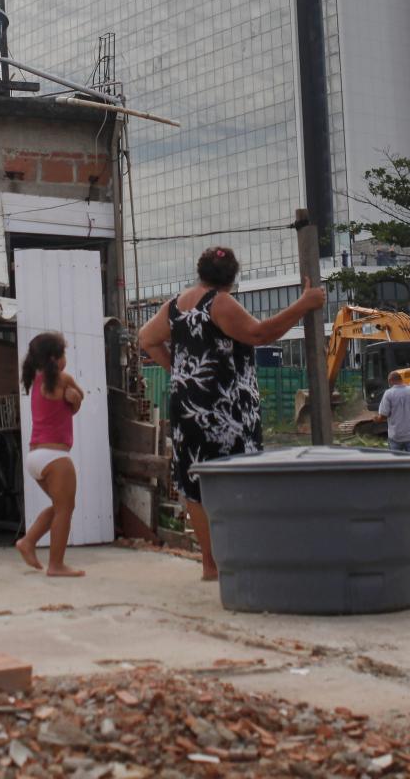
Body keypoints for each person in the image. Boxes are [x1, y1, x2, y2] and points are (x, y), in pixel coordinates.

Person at [138, 245, 325, 581]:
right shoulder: (219, 303)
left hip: (188, 409)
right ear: (232, 279)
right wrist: (304, 304)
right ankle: (232, 559)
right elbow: (258, 333)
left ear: (200, 271)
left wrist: (180, 374)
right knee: (238, 479)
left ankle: (210, 563)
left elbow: (146, 338)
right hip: (228, 412)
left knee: (195, 482)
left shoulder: (175, 306)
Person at [14, 332, 86, 577]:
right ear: (55, 358)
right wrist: (75, 399)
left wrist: (72, 402)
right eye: (64, 354)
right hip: (55, 458)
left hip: (35, 457)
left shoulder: (36, 381)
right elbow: (79, 399)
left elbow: (63, 411)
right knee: (65, 509)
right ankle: (56, 565)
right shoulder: (63, 379)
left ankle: (28, 542)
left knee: (59, 506)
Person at [378, 370, 410, 454]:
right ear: (401, 379)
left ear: (390, 381)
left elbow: (383, 415)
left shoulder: (388, 394)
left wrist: (377, 419)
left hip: (395, 436)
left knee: (396, 464)